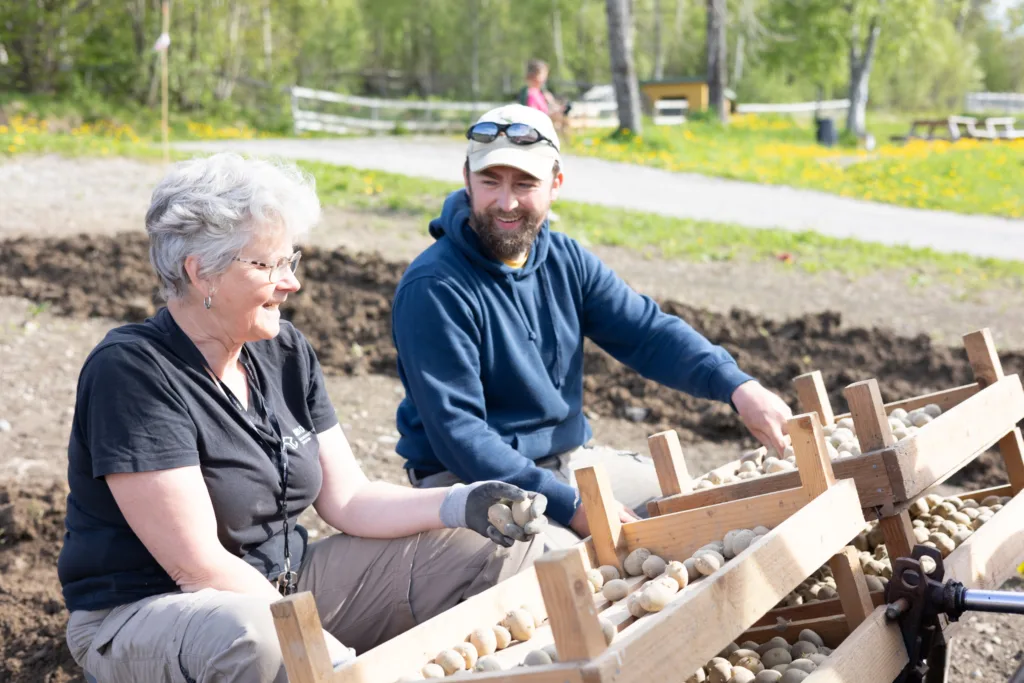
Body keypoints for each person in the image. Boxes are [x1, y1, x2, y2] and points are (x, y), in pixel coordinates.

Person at [57, 153, 545, 683]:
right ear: (202, 273)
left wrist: (461, 502)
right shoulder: (133, 373)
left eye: (293, 260)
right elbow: (196, 568)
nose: (291, 283)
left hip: (284, 585)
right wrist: (329, 655)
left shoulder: (283, 350)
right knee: (258, 639)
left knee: (494, 551)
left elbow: (349, 500)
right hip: (152, 611)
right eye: (269, 265)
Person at [390, 104, 794, 548]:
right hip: (473, 484)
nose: (506, 202)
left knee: (694, 510)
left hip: (566, 462)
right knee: (576, 570)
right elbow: (461, 437)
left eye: (525, 184)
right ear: (466, 178)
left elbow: (647, 332)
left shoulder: (566, 260)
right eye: (491, 182)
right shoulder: (435, 287)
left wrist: (737, 386)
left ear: (556, 185)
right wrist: (572, 507)